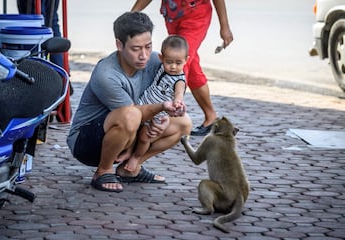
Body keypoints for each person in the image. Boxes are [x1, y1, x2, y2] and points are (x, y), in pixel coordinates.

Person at [66, 12, 192, 193]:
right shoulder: (107, 74)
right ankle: (103, 171)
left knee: (184, 124)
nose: (144, 55)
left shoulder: (157, 60)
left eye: (148, 47)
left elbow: (178, 79)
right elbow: (134, 114)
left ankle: (131, 168)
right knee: (131, 114)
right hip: (87, 142)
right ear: (119, 45)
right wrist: (161, 109)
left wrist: (165, 117)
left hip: (131, 130)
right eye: (136, 49)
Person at [131, 0, 234, 136]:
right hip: (173, 17)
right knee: (190, 66)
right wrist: (133, 14)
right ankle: (211, 117)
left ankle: (164, 118)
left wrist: (224, 26)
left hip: (196, 15)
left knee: (178, 65)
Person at [123, 35, 189, 172]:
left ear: (186, 61)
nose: (173, 66)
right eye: (169, 61)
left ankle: (136, 157)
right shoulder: (161, 67)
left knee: (144, 137)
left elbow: (179, 94)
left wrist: (178, 102)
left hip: (157, 114)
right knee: (133, 128)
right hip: (143, 103)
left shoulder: (179, 80)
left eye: (178, 63)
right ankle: (128, 150)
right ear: (161, 58)